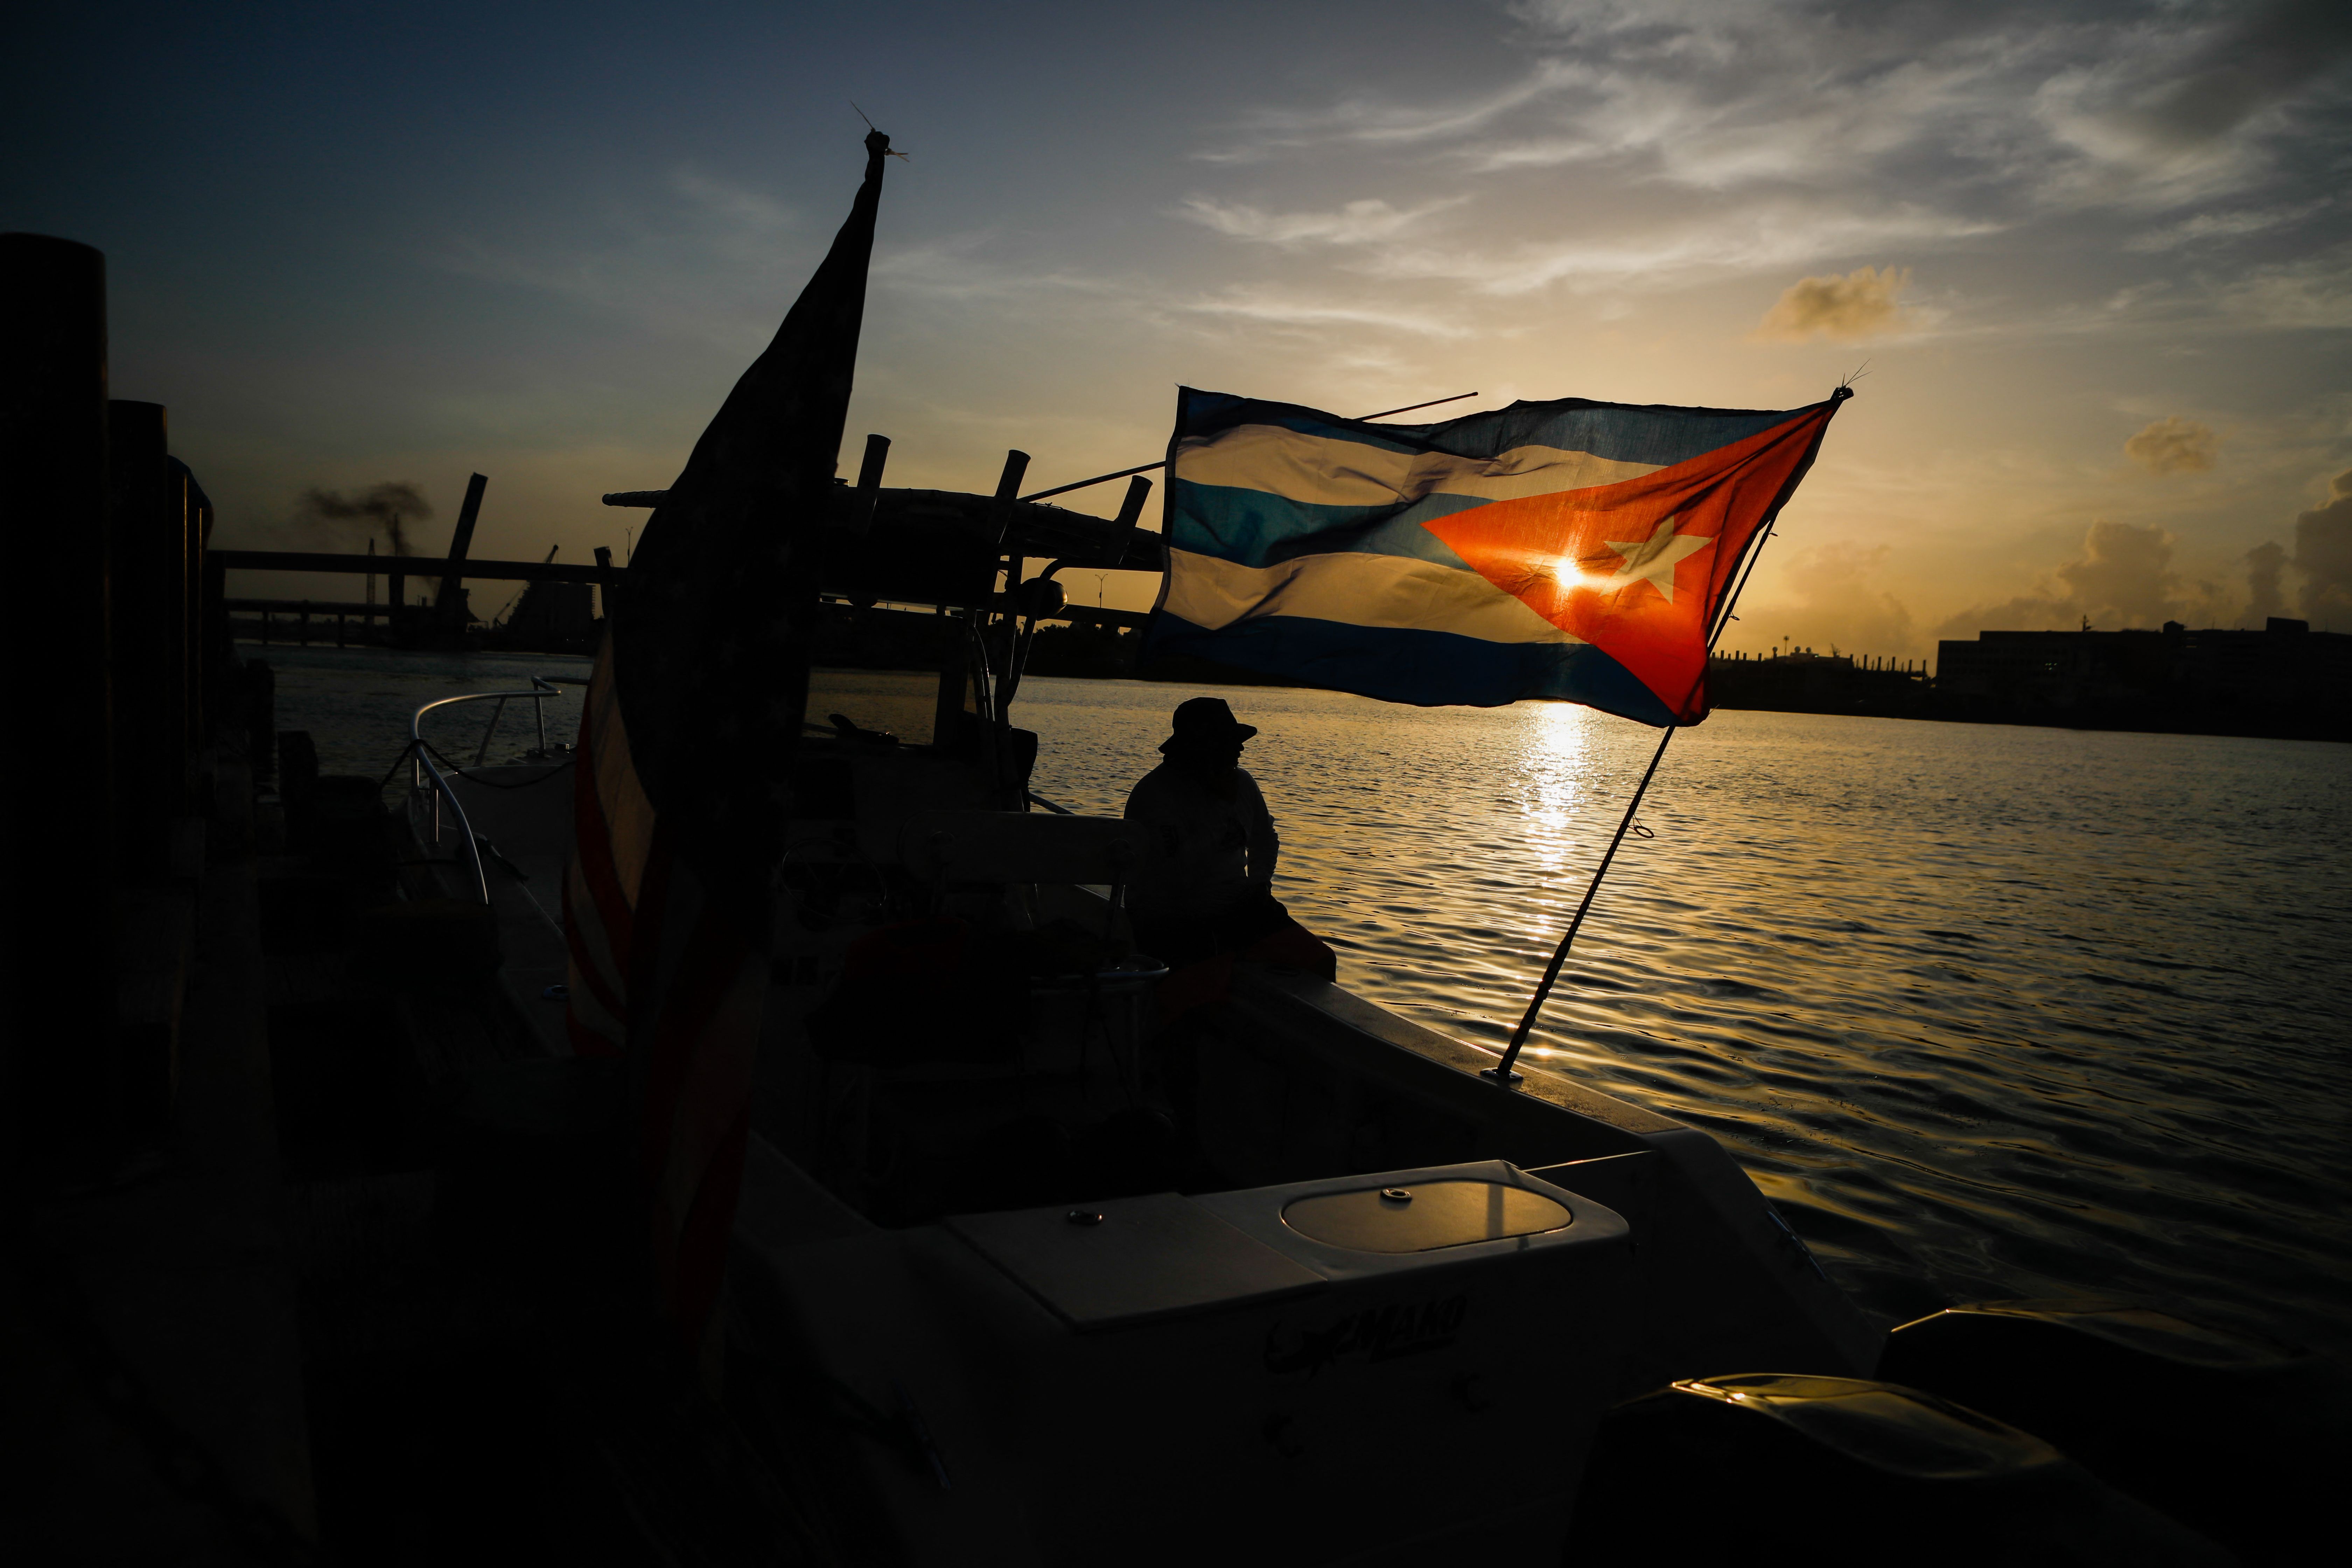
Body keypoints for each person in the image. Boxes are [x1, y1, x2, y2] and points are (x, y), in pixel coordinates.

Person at [1122, 697, 1335, 998]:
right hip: (1173, 918)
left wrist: (1260, 884)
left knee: (1320, 960)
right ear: (1201, 746)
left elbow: (1264, 836)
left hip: (1236, 905)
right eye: (1229, 741)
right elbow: (1171, 876)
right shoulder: (1155, 795)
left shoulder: (1243, 783)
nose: (1241, 749)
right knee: (1208, 986)